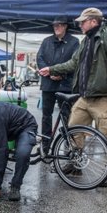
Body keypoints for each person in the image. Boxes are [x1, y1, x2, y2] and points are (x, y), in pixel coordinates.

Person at [39, 7, 107, 187]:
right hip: (85, 96)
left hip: (104, 96)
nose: (79, 24)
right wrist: (52, 69)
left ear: (93, 21)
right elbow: (73, 63)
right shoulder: (86, 40)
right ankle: (75, 164)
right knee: (73, 129)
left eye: (83, 22)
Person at [36, 16, 80, 154]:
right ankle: (45, 146)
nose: (57, 27)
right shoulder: (47, 41)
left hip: (65, 85)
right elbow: (40, 58)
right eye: (55, 25)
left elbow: (75, 62)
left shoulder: (74, 42)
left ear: (66, 26)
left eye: (60, 25)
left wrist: (62, 74)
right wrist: (50, 73)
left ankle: (69, 146)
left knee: (67, 116)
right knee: (46, 116)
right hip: (48, 84)